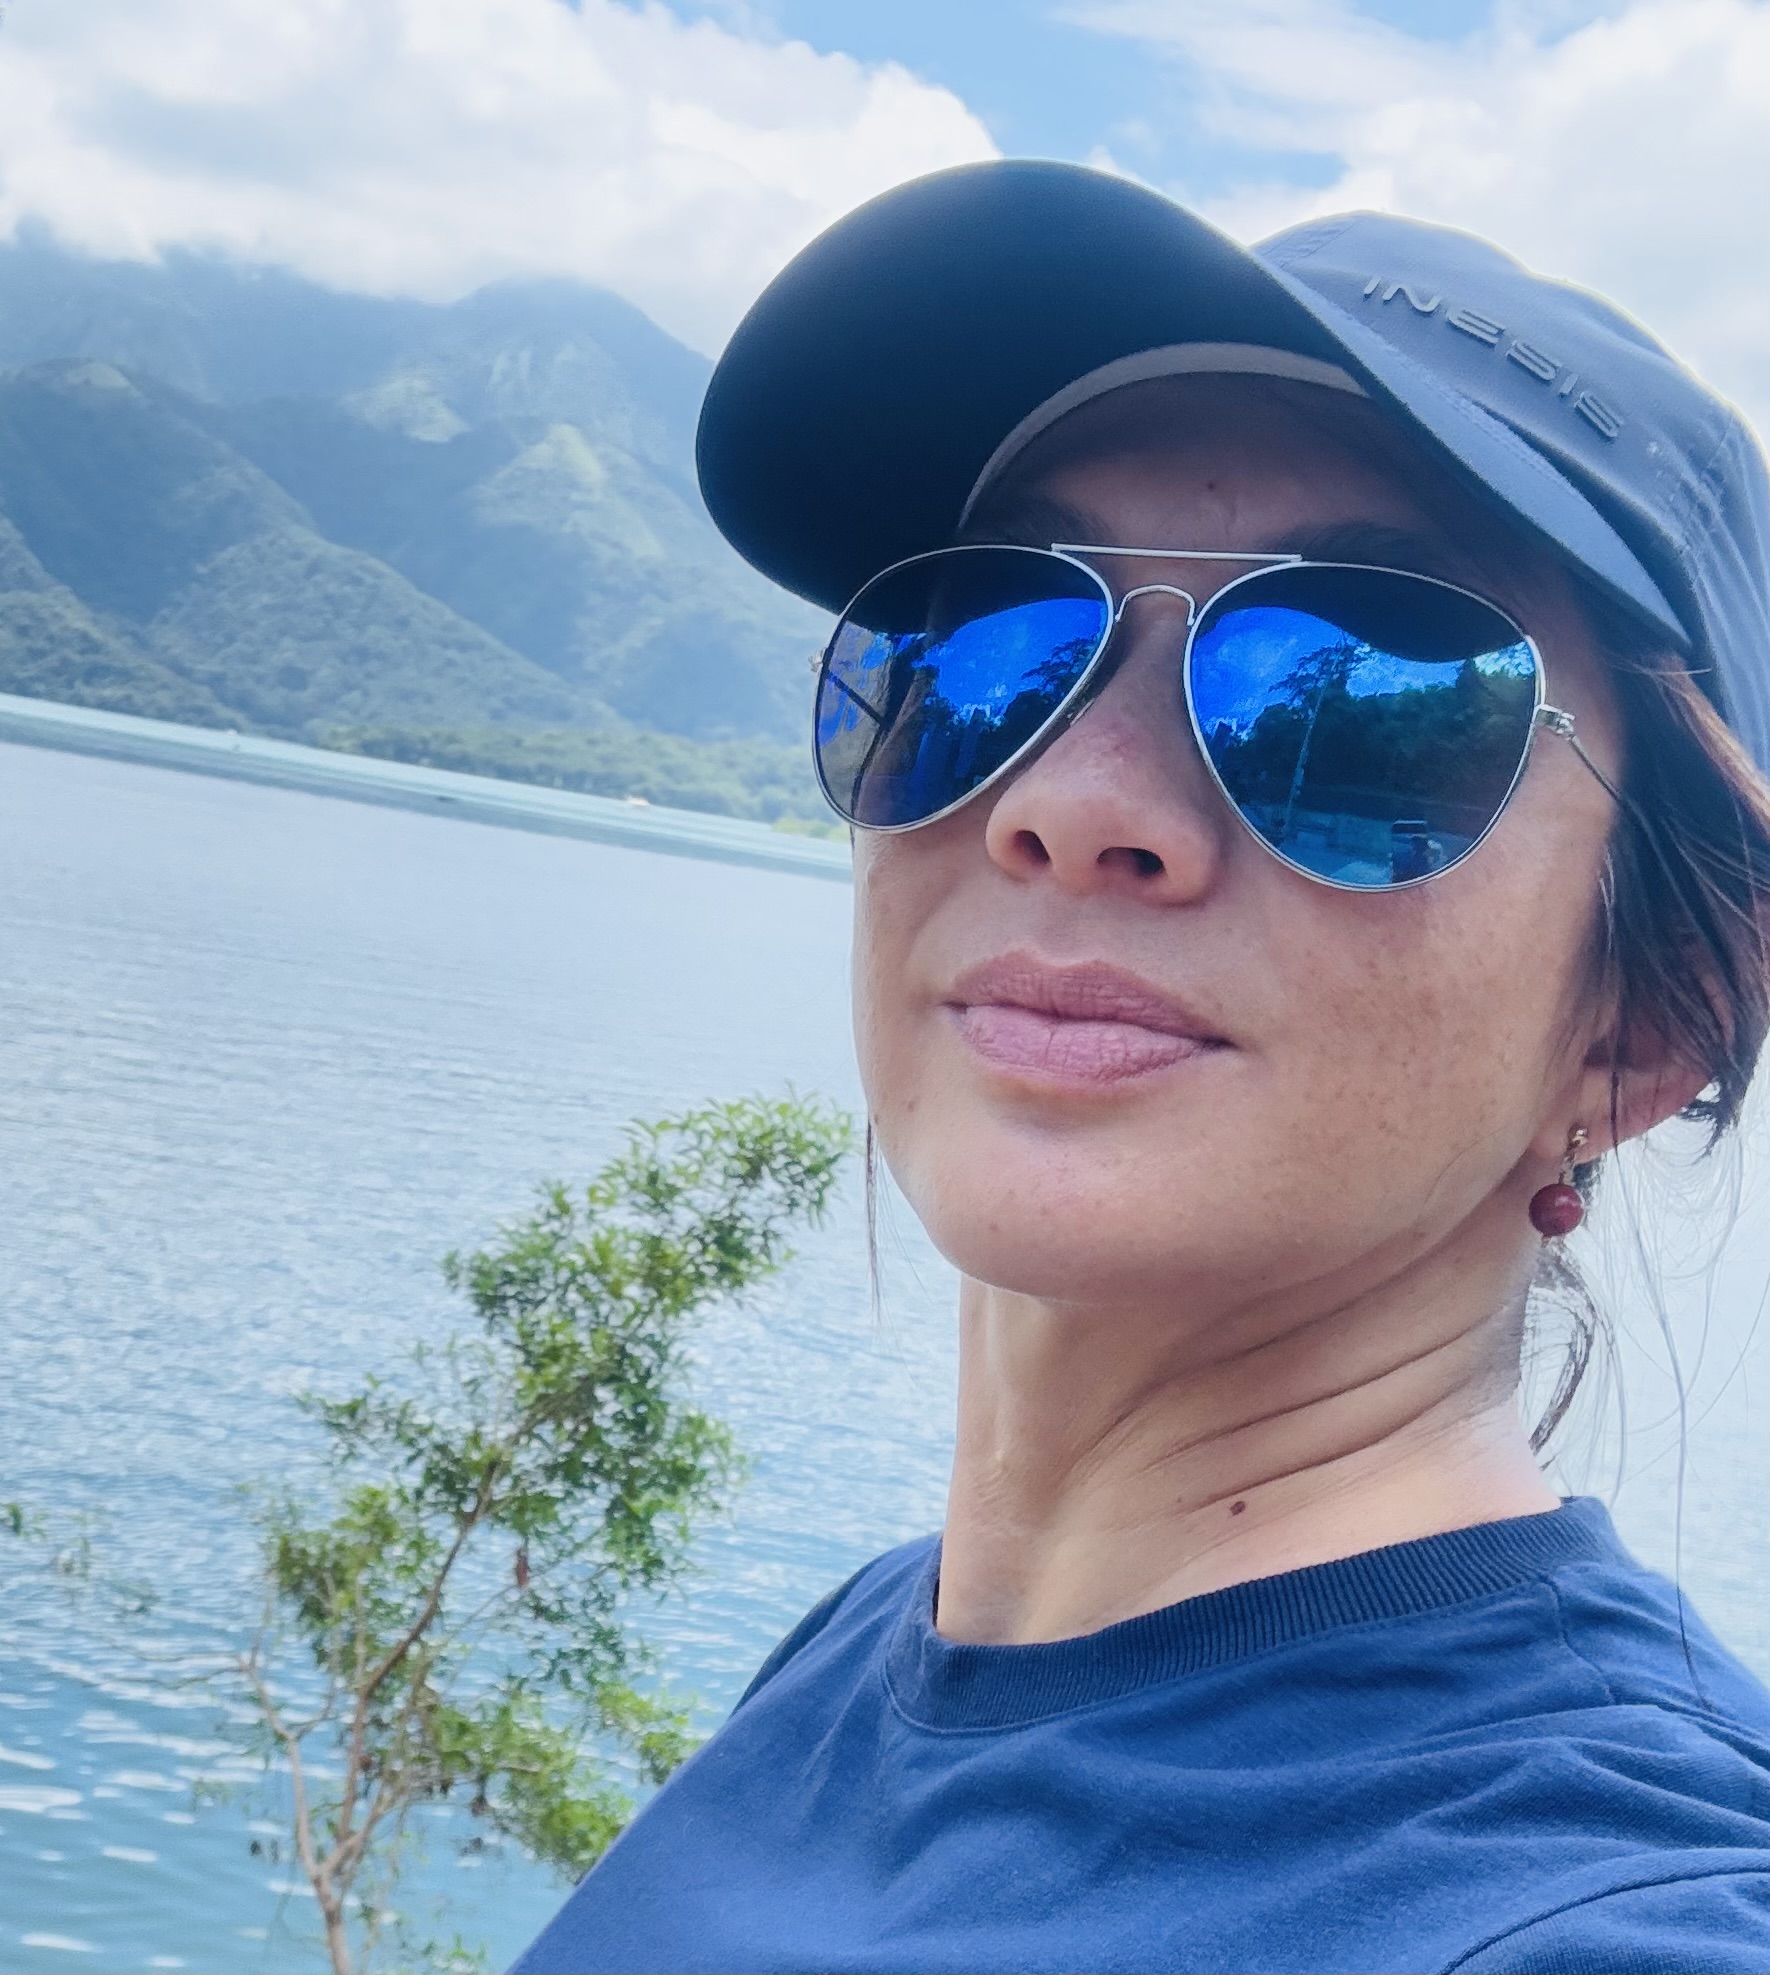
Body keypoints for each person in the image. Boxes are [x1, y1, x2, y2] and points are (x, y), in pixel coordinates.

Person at [516, 162, 1770, 1974]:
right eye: (984, 641)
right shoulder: (884, 1650)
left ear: (1651, 1016)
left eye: (1359, 695)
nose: (1066, 798)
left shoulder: (1605, 1917)